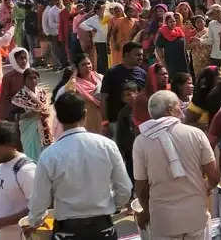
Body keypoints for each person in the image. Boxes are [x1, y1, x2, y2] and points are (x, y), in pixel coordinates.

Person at [25, 93, 132, 240]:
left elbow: (39, 200)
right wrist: (108, 204)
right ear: (85, 114)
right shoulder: (107, 145)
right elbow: (125, 189)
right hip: (103, 228)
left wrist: (34, 221)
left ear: (59, 118)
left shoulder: (49, 155)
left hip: (67, 232)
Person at [133, 90, 220, 238]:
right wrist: (205, 188)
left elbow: (141, 187)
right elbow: (213, 176)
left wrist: (146, 212)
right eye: (179, 106)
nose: (182, 109)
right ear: (170, 110)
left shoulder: (141, 141)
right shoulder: (196, 134)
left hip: (163, 221)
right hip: (195, 215)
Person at [101, 42, 146, 138]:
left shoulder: (142, 74)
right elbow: (103, 98)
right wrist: (105, 122)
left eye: (142, 55)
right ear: (126, 55)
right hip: (116, 123)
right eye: (137, 55)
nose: (141, 57)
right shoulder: (112, 73)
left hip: (137, 124)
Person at [11, 68, 54, 161]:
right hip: (29, 131)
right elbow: (15, 117)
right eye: (30, 78)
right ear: (24, 80)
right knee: (33, 157)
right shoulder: (20, 96)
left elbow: (46, 108)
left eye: (35, 78)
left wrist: (46, 113)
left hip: (44, 128)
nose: (33, 81)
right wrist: (32, 114)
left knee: (47, 156)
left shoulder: (42, 92)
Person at [56, 54, 104, 134]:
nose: (87, 66)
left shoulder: (99, 77)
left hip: (103, 117)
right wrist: (74, 73)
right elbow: (69, 91)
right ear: (77, 68)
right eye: (83, 65)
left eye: (88, 63)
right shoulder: (76, 84)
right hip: (88, 120)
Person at [0, 47, 30, 121]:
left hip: (31, 111)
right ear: (14, 60)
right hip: (15, 113)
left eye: (25, 58)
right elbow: (5, 99)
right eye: (21, 58)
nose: (24, 61)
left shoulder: (30, 74)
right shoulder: (8, 77)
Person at [155, 11, 188, 77]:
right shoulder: (163, 32)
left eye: (174, 21)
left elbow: (184, 44)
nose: (173, 23)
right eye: (170, 22)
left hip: (182, 59)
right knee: (174, 78)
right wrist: (162, 60)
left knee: (184, 77)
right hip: (171, 60)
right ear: (167, 23)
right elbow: (158, 47)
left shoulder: (179, 31)